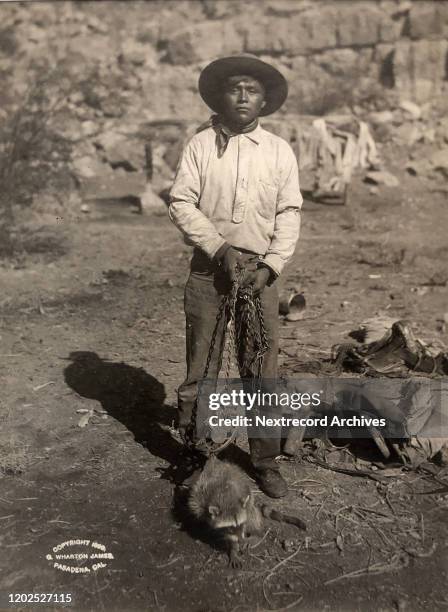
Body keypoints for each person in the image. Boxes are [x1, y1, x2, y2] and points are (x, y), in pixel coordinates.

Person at [168, 54, 303, 498]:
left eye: (253, 90)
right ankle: (196, 452)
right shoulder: (200, 145)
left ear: (264, 101)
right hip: (209, 270)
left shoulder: (280, 151)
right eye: (235, 88)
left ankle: (264, 460)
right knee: (201, 366)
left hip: (258, 274)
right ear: (222, 97)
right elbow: (182, 202)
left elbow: (289, 211)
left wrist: (271, 266)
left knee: (259, 366)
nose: (243, 96)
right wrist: (220, 248)